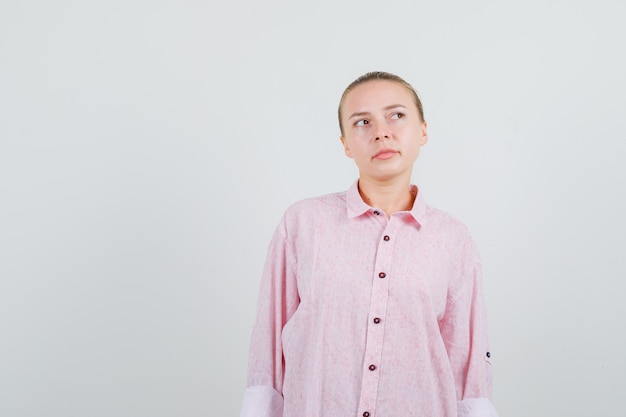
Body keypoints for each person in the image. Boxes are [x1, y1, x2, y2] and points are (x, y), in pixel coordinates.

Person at [240, 71, 498, 417]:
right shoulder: (302, 224)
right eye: (362, 121)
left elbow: (466, 363)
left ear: (422, 131)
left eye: (397, 115)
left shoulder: (453, 240)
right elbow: (268, 347)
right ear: (346, 143)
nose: (381, 132)